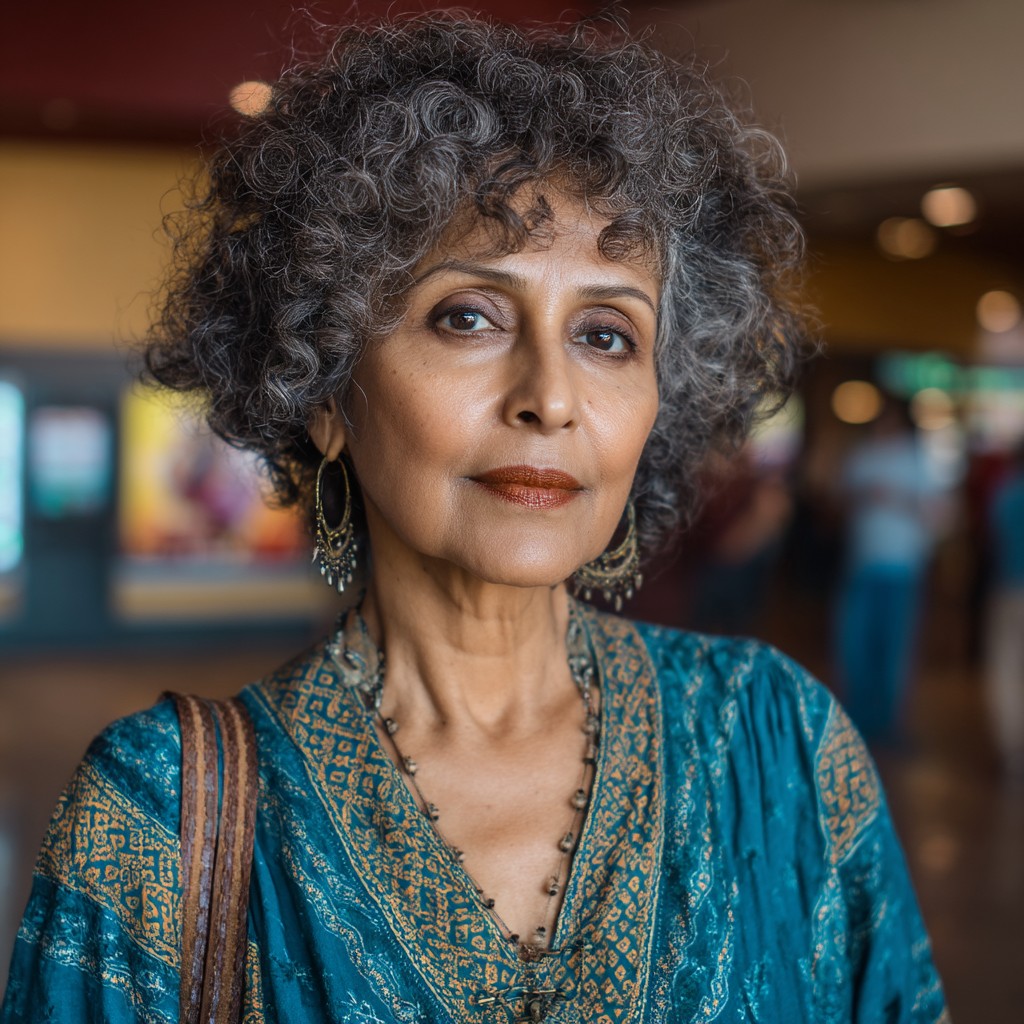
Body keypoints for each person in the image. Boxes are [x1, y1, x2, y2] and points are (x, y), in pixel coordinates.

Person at [2, 13, 947, 1023]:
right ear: (323, 387)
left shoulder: (779, 744)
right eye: (468, 316)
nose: (550, 395)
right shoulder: (159, 813)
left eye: (604, 333)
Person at [835, 397, 944, 743]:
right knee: (855, 643)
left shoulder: (918, 459)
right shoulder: (862, 455)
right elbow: (840, 503)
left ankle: (889, 723)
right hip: (862, 563)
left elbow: (938, 513)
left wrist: (895, 499)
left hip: (902, 567)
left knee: (894, 647)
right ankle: (857, 719)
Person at [985, 441, 1024, 779]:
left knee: (1008, 674)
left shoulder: (1007, 492)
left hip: (1010, 588)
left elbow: (992, 534)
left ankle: (1013, 755)